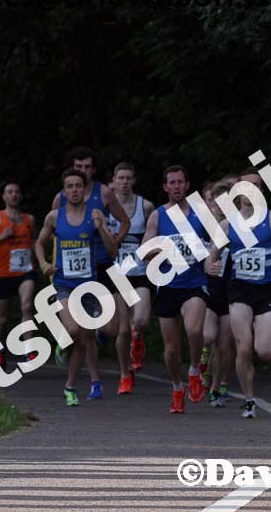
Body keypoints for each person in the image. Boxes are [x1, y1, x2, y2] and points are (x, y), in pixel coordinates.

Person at [207, 168, 271, 418]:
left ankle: (244, 392)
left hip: (267, 291)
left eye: (256, 186)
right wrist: (211, 266)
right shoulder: (227, 225)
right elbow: (211, 257)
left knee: (265, 351)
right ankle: (249, 400)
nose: (251, 190)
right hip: (239, 291)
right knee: (243, 348)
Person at [36, 169, 118, 406]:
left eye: (78, 186)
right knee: (74, 332)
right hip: (64, 285)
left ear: (85, 190)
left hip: (89, 286)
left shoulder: (95, 215)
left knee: (96, 335)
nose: (74, 190)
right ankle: (63, 344)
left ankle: (69, 386)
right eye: (69, 186)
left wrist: (101, 227)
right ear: (64, 191)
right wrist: (43, 263)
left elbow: (112, 252)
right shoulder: (54, 217)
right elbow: (39, 244)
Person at [142, 165, 209, 413]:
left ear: (187, 185)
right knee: (170, 350)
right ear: (165, 187)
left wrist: (211, 258)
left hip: (194, 282)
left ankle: (194, 370)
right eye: (172, 183)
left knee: (194, 329)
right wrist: (163, 250)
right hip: (168, 286)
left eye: (181, 182)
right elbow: (144, 250)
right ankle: (177, 386)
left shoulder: (200, 212)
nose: (177, 186)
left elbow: (219, 242)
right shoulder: (158, 216)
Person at [107, 162, 156, 394]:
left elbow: (154, 234)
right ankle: (125, 374)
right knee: (122, 330)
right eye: (121, 178)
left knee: (142, 321)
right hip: (118, 274)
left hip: (140, 271)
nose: (124, 182)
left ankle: (138, 342)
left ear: (133, 181)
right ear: (114, 181)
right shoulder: (106, 207)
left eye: (128, 178)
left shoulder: (145, 207)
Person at [0, 182, 38, 363]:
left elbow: (35, 242)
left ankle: (29, 350)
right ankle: (0, 348)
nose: (13, 195)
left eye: (16, 192)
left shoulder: (30, 219)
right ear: (4, 197)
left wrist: (40, 259)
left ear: (20, 196)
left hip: (26, 272)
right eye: (9, 192)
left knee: (27, 306)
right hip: (4, 274)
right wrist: (2, 236)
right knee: (2, 319)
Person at [200, 180, 235, 407]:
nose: (219, 206)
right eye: (214, 201)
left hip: (230, 291)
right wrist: (207, 265)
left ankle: (215, 387)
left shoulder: (237, 227)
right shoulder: (200, 227)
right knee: (208, 337)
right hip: (206, 290)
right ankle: (201, 361)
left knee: (224, 345)